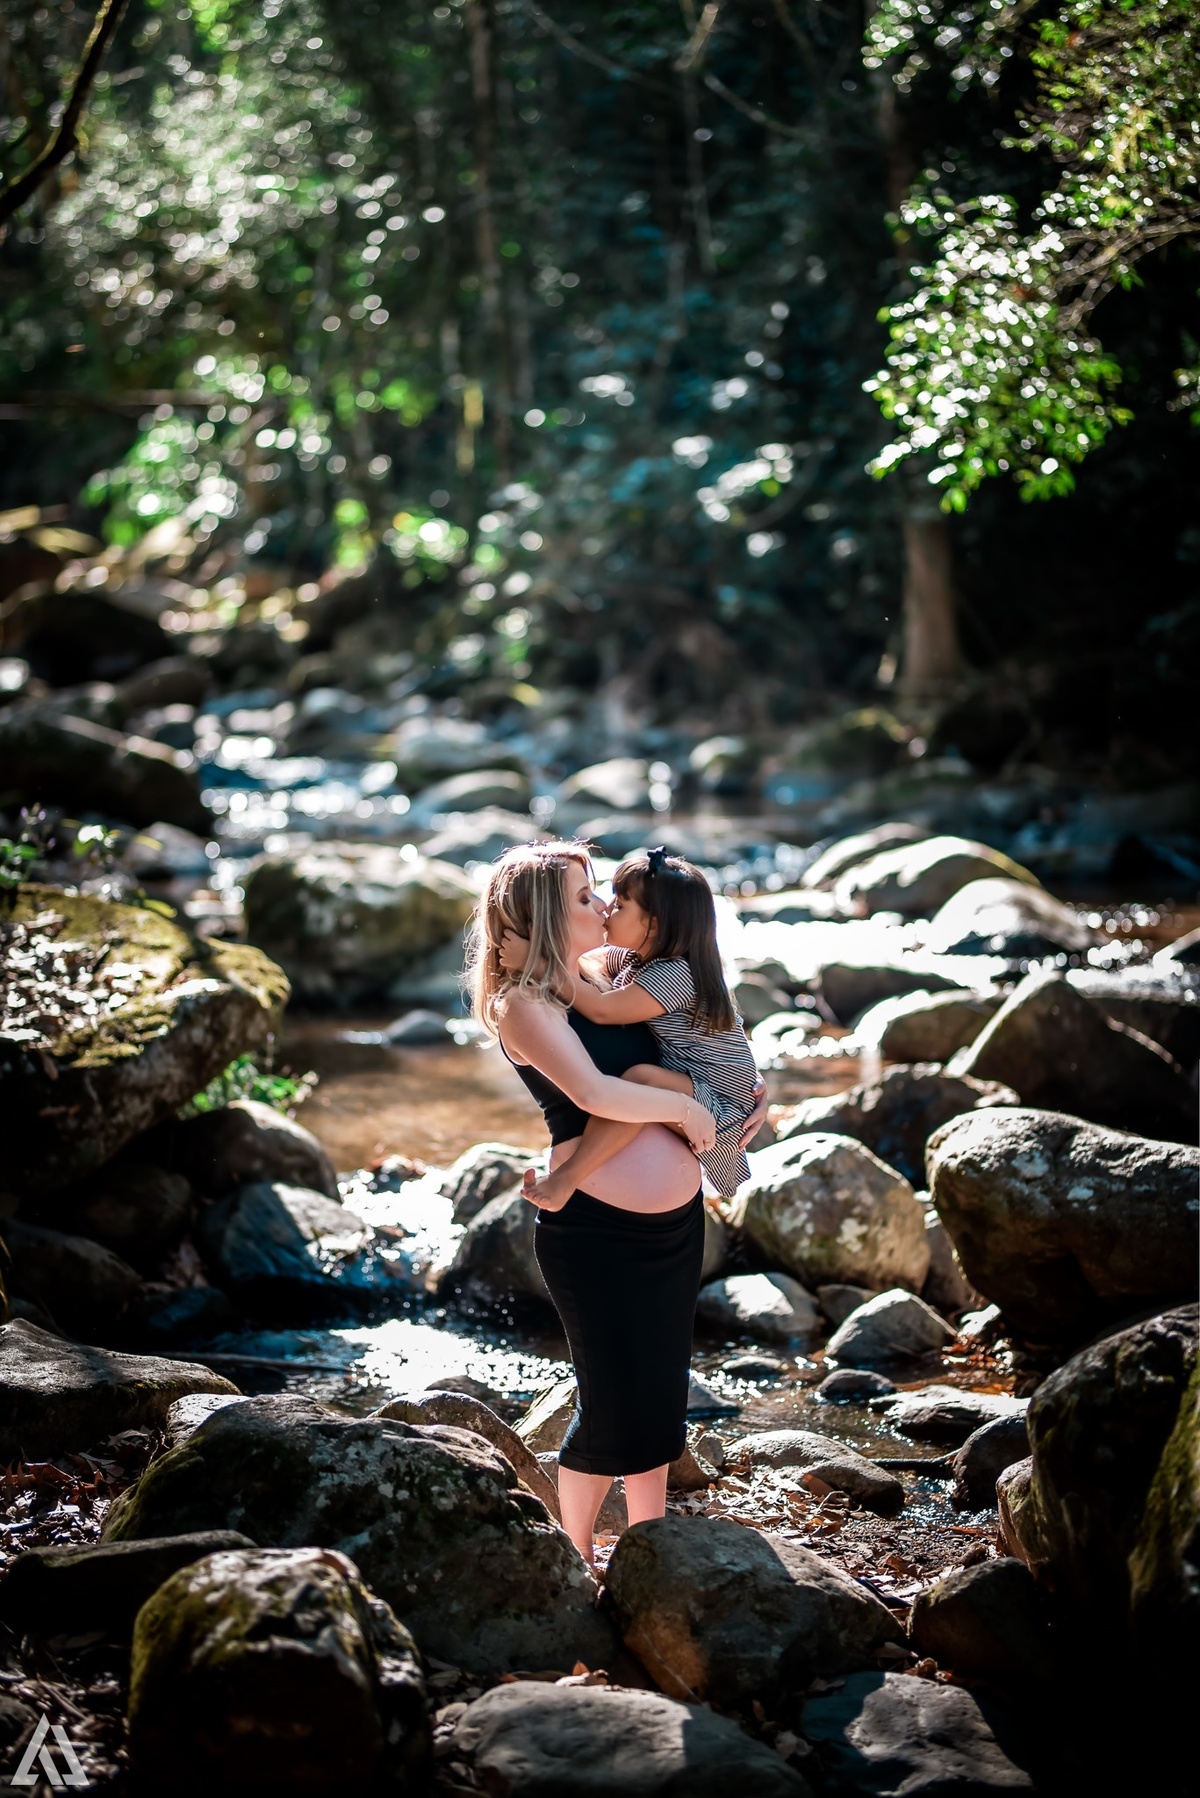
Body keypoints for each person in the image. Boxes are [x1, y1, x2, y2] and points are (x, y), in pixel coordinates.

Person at [467, 839, 765, 1565]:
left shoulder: (609, 975)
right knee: (609, 1406)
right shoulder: (525, 1006)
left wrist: (745, 1093)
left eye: (602, 892)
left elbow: (698, 1037)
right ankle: (575, 1559)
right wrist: (694, 1113)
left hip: (673, 1224)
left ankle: (648, 1547)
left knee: (659, 1400)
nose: (603, 906)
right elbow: (598, 1095)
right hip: (595, 1232)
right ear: (543, 916)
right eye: (583, 897)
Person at [503, 845, 758, 1212]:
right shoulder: (639, 961)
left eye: (619, 905)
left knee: (639, 1078)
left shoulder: (673, 973)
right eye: (588, 897)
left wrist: (535, 961)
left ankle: (568, 1177)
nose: (606, 909)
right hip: (616, 1220)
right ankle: (568, 1179)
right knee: (637, 1080)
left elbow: (603, 1010)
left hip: (718, 1102)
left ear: (652, 925)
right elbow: (594, 959)